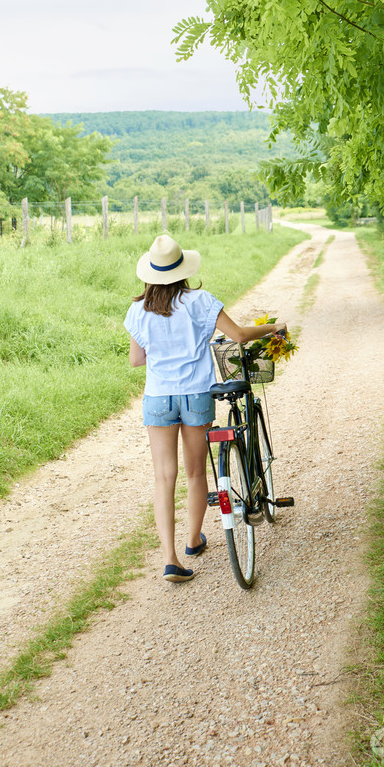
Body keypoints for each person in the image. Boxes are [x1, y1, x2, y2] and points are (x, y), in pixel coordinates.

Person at [124, 234, 287, 583]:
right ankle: (193, 539)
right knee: (196, 472)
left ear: (150, 274)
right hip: (195, 394)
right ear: (183, 270)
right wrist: (274, 327)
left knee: (163, 477)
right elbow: (240, 336)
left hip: (158, 398)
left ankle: (170, 559)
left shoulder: (138, 310)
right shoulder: (200, 302)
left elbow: (137, 360)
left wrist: (164, 350)